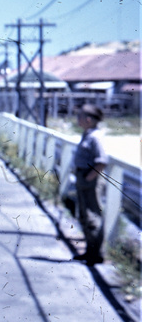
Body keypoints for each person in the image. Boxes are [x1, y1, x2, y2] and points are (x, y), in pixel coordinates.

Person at [72, 104, 108, 266]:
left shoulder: (95, 137)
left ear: (88, 119)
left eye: (80, 116)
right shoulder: (87, 134)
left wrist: (89, 178)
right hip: (83, 176)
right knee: (84, 215)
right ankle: (89, 251)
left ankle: (96, 254)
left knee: (93, 216)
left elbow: (102, 161)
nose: (77, 120)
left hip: (90, 178)